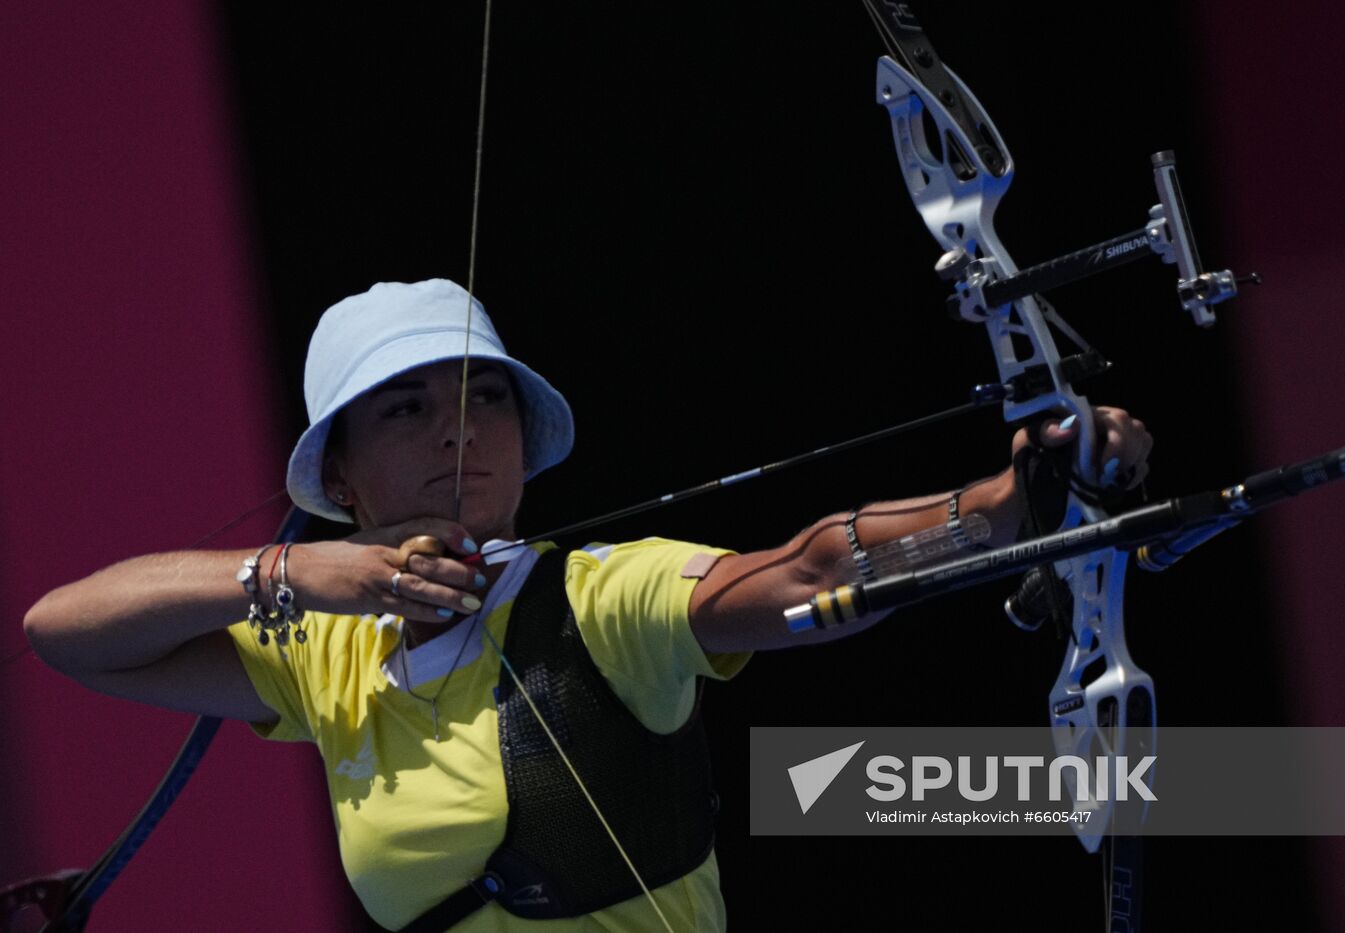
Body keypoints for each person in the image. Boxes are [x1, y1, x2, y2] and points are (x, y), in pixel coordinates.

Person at [23, 278, 1153, 931]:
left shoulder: (594, 598)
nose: (458, 430)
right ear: (342, 477)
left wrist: (1010, 504)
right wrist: (289, 577)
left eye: (483, 399)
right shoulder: (323, 660)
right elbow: (65, 633)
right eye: (407, 409)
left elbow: (806, 574)